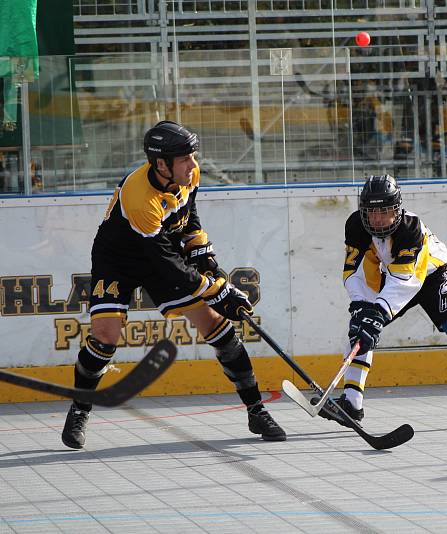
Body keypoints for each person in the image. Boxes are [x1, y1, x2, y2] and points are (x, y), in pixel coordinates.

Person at [61, 120, 286, 449]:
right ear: (161, 164)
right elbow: (166, 264)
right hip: (119, 260)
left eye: (193, 157)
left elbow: (187, 216)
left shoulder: (188, 174)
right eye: (185, 160)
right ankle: (80, 408)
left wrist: (203, 253)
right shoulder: (139, 198)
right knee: (105, 336)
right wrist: (217, 290)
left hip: (160, 247)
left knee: (215, 325)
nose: (193, 165)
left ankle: (256, 410)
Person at [316, 174, 447, 427]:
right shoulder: (355, 226)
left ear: (397, 209)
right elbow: (355, 271)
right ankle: (351, 405)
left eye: (384, 212)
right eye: (372, 212)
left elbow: (408, 280)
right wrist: (361, 306)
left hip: (430, 275)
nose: (378, 219)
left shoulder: (410, 228)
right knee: (360, 331)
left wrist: (379, 312)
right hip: (394, 275)